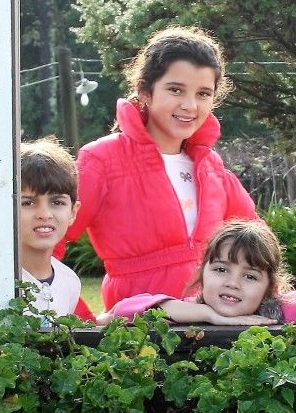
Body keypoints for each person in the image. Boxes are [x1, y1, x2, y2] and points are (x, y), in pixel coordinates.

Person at [66, 27, 260, 309]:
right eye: (175, 90)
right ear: (146, 91)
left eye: (203, 93)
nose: (190, 105)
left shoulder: (212, 168)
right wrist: (81, 322)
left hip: (216, 333)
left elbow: (259, 246)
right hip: (140, 334)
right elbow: (47, 242)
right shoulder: (100, 160)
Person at [98, 218, 296, 328]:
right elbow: (120, 312)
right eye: (221, 269)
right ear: (202, 274)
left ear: (270, 288)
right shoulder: (189, 311)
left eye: (250, 276)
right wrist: (208, 315)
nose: (232, 283)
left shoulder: (283, 311)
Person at [18, 137, 93, 320]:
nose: (44, 214)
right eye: (27, 202)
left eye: (57, 202)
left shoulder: (69, 282)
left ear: (73, 212)